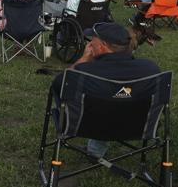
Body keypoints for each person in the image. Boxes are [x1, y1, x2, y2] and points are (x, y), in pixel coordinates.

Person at [52, 21, 161, 163]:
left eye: (92, 41)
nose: (89, 44)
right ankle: (96, 150)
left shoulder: (84, 72)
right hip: (137, 126)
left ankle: (95, 148)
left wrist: (84, 59)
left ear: (102, 46)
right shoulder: (150, 69)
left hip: (87, 125)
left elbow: (59, 85)